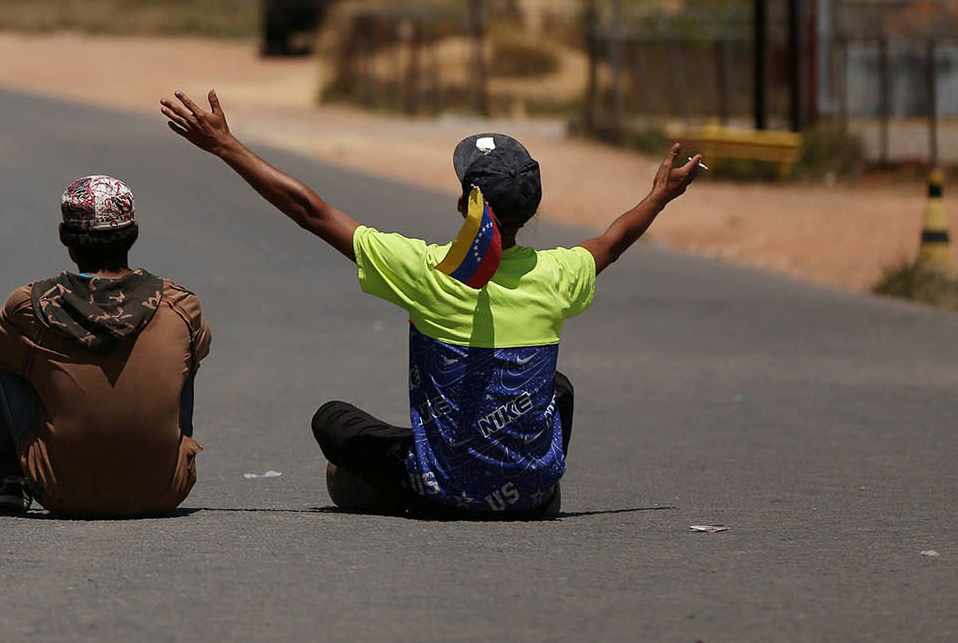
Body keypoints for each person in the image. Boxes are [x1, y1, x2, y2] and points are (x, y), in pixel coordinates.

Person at [161, 89, 701, 519]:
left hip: (444, 489)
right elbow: (611, 239)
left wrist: (225, 146)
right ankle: (526, 484)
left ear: (467, 203)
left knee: (333, 422)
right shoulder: (559, 274)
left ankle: (424, 488)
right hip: (532, 495)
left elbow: (310, 211)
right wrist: (661, 195)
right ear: (532, 209)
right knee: (556, 388)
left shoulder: (429, 272)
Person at [0, 175, 211, 518]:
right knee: (187, 349)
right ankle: (162, 454)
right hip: (166, 490)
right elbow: (203, 344)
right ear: (134, 232)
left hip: (60, 491)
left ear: (64, 237)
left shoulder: (32, 305)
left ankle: (7, 481)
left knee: (2, 353)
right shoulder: (179, 304)